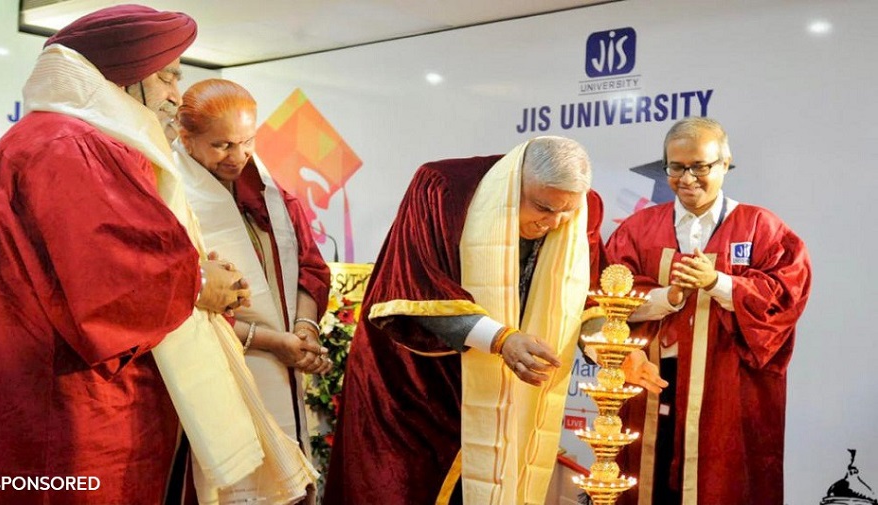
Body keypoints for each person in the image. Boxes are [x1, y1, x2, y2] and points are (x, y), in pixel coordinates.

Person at [0, 5, 314, 505]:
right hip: (77, 407)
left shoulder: (66, 139)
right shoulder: (70, 144)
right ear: (123, 77)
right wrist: (199, 284)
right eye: (166, 77)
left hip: (84, 396)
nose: (176, 95)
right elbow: (108, 279)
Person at [323, 136, 605, 505]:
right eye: (542, 208)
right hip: (417, 388)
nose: (554, 222)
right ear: (515, 182)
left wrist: (609, 346)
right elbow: (414, 290)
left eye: (565, 211)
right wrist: (502, 339)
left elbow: (582, 293)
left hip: (508, 386)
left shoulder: (583, 207)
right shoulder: (441, 188)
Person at [605, 117, 812, 505]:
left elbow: (786, 296)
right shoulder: (636, 230)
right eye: (676, 167)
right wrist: (671, 294)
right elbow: (609, 297)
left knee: (724, 484)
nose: (687, 178)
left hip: (728, 386)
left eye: (700, 166)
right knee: (651, 485)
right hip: (655, 379)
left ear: (725, 163)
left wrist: (717, 281)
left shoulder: (761, 228)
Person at [173, 78, 332, 460]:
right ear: (185, 136)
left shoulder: (270, 196)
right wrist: (273, 342)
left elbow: (310, 267)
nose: (237, 156)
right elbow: (174, 302)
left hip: (283, 359)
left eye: (247, 142)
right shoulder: (169, 198)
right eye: (221, 144)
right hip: (211, 373)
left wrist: (304, 330)